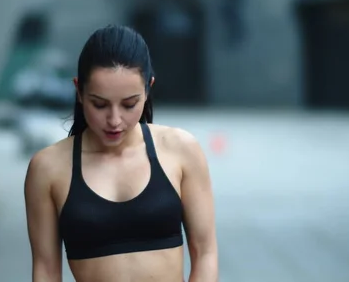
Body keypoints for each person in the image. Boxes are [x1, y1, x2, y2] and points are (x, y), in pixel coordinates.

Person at [24, 25, 218, 282]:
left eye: (129, 104)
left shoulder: (180, 149)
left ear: (148, 89)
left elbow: (205, 253)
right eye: (100, 104)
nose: (114, 120)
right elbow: (46, 270)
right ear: (78, 91)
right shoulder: (48, 168)